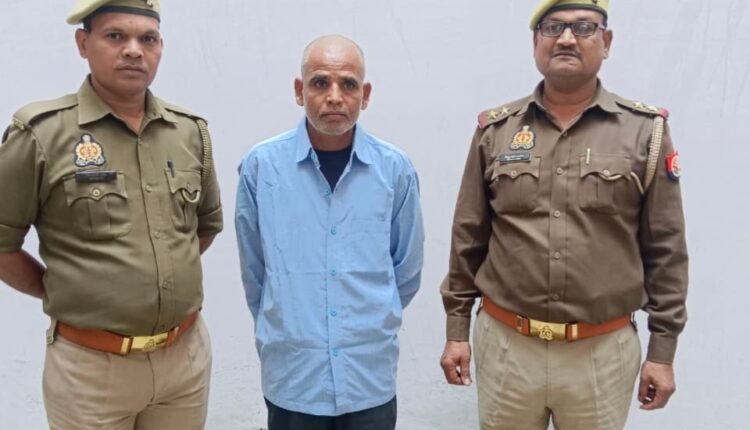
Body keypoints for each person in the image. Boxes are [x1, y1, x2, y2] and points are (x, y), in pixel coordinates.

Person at [439, 1, 688, 428]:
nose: (567, 39)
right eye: (553, 27)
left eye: (584, 27)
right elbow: (468, 236)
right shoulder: (495, 131)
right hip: (507, 347)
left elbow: (666, 248)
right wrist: (456, 330)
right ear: (535, 42)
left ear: (606, 42)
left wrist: (662, 352)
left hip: (601, 353)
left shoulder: (645, 132)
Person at [0, 1, 223, 428]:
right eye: (116, 36)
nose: (134, 50)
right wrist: (62, 289)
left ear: (160, 48)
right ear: (83, 43)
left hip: (183, 360)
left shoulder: (189, 132)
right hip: (90, 368)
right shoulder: (42, 134)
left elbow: (204, 228)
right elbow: (2, 245)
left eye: (148, 39)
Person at [235, 34, 424, 430]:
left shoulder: (394, 169)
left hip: (368, 375)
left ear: (365, 95)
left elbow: (406, 271)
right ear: (299, 90)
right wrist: (287, 323)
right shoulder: (262, 167)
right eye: (320, 82)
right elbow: (255, 271)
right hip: (294, 376)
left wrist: (370, 320)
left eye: (348, 84)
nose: (334, 97)